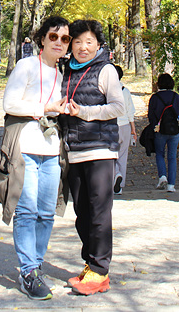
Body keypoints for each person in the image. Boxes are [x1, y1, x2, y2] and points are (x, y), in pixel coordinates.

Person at [0, 16, 70, 301]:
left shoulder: (62, 74)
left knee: (46, 212)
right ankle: (28, 272)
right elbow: (9, 103)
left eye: (64, 39)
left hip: (51, 150)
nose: (59, 43)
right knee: (26, 211)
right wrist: (44, 107)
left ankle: (36, 265)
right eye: (53, 37)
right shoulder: (26, 66)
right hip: (25, 148)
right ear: (42, 39)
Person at [59, 19, 124, 296]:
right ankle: (90, 264)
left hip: (100, 150)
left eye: (89, 42)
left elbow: (118, 107)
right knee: (82, 213)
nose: (83, 47)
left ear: (98, 45)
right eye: (77, 42)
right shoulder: (67, 70)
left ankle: (100, 270)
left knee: (99, 212)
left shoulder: (106, 69)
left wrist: (85, 112)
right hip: (75, 151)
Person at [147, 72, 179, 193]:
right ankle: (171, 185)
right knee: (172, 157)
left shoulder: (155, 98)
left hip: (160, 130)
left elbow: (150, 115)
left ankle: (162, 176)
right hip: (174, 130)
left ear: (159, 84)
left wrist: (154, 126)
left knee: (159, 153)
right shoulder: (176, 96)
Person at [113, 66, 137, 195]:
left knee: (110, 156)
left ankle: (115, 174)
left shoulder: (107, 91)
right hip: (125, 126)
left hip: (111, 127)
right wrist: (133, 129)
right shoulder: (125, 91)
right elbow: (130, 111)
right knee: (123, 156)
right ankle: (120, 186)